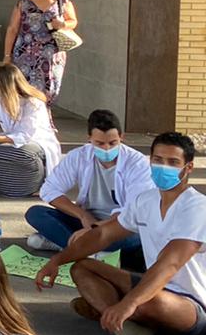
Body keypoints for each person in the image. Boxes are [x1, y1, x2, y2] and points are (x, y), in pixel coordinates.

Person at [34, 132, 206, 335]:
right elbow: (103, 234)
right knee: (81, 267)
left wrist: (130, 302)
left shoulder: (197, 207)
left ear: (188, 168)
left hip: (194, 303)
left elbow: (170, 264)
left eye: (173, 162)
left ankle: (111, 310)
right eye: (158, 160)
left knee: (147, 302)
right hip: (153, 285)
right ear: (150, 161)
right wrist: (57, 261)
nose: (163, 167)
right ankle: (123, 322)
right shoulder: (145, 201)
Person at [25, 109, 149, 271]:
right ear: (89, 139)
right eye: (100, 143)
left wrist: (96, 230)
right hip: (87, 222)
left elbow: (134, 209)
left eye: (112, 143)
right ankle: (90, 251)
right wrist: (83, 216)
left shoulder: (137, 163)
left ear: (121, 137)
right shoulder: (79, 156)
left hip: (119, 226)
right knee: (36, 213)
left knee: (137, 238)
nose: (106, 149)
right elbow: (49, 189)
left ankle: (71, 247)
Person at [0, 62, 62, 198]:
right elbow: (5, 115)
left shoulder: (33, 103)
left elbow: (26, 134)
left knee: (21, 153)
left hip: (37, 143)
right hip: (13, 138)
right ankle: (9, 182)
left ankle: (38, 182)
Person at [6, 0, 77, 104]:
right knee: (23, 89)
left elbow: (73, 21)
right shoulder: (23, 2)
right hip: (25, 52)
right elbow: (12, 29)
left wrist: (63, 24)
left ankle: (43, 118)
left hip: (51, 53)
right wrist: (7, 56)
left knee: (48, 89)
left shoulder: (61, 0)